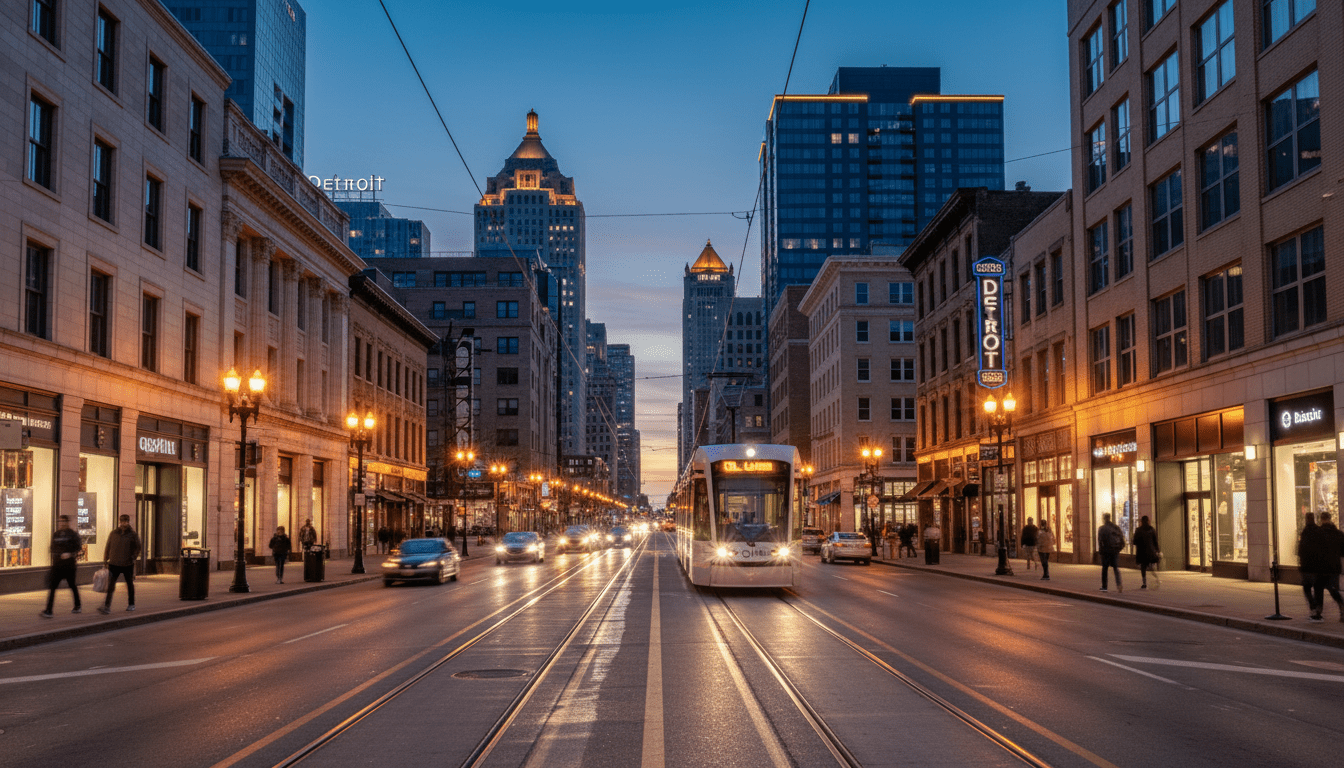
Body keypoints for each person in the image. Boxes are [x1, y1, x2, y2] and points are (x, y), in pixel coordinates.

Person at [1301, 512, 1344, 622]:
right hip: (1334, 566)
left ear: (1320, 519)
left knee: (1318, 589)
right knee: (1333, 588)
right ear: (1330, 519)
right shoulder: (1338, 533)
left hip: (1320, 566)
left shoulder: (1317, 533)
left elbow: (1312, 550)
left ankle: (1318, 612)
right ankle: (1341, 605)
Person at [41, 515, 83, 617]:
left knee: (72, 585)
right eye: (61, 521)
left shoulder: (72, 534)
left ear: (67, 522)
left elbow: (78, 547)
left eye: (64, 521)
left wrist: (70, 553)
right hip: (57, 565)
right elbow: (52, 547)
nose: (62, 523)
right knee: (53, 587)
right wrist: (56, 555)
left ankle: (77, 605)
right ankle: (49, 610)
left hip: (69, 565)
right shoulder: (56, 534)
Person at [99, 514, 141, 614]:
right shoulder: (114, 533)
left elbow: (138, 547)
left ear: (128, 522)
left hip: (127, 564)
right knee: (110, 586)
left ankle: (131, 604)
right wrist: (105, 560)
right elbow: (108, 546)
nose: (124, 523)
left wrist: (133, 557)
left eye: (126, 521)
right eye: (122, 521)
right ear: (119, 522)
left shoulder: (133, 534)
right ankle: (107, 606)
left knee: (129, 585)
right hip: (114, 563)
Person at [1297, 512, 1319, 615]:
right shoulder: (1318, 530)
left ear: (1306, 519)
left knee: (1307, 588)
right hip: (1317, 565)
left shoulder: (1305, 532)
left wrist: (1300, 562)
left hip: (1307, 565)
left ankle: (1313, 607)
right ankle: (1317, 608)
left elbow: (1301, 549)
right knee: (1317, 588)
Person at [1097, 513, 1125, 593]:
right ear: (1110, 518)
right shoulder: (1116, 527)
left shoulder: (1102, 528)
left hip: (1106, 551)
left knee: (1105, 569)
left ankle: (1104, 587)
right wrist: (1117, 549)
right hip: (1114, 550)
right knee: (1116, 568)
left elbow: (1100, 541)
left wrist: (1101, 551)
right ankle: (1119, 584)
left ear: (1104, 519)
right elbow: (1122, 541)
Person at [1133, 515, 1161, 589]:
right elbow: (1155, 541)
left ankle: (1144, 583)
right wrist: (1158, 551)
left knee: (1143, 568)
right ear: (1148, 521)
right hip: (1151, 552)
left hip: (1142, 552)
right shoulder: (1152, 529)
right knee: (1151, 567)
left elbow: (1134, 542)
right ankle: (1156, 578)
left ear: (1141, 521)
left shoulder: (1138, 530)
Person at [1037, 516, 1055, 581]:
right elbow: (1053, 538)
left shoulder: (1040, 531)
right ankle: (1046, 574)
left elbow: (1038, 538)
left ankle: (1046, 574)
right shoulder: (1049, 530)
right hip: (1048, 548)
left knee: (1044, 562)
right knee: (1045, 561)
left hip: (1042, 548)